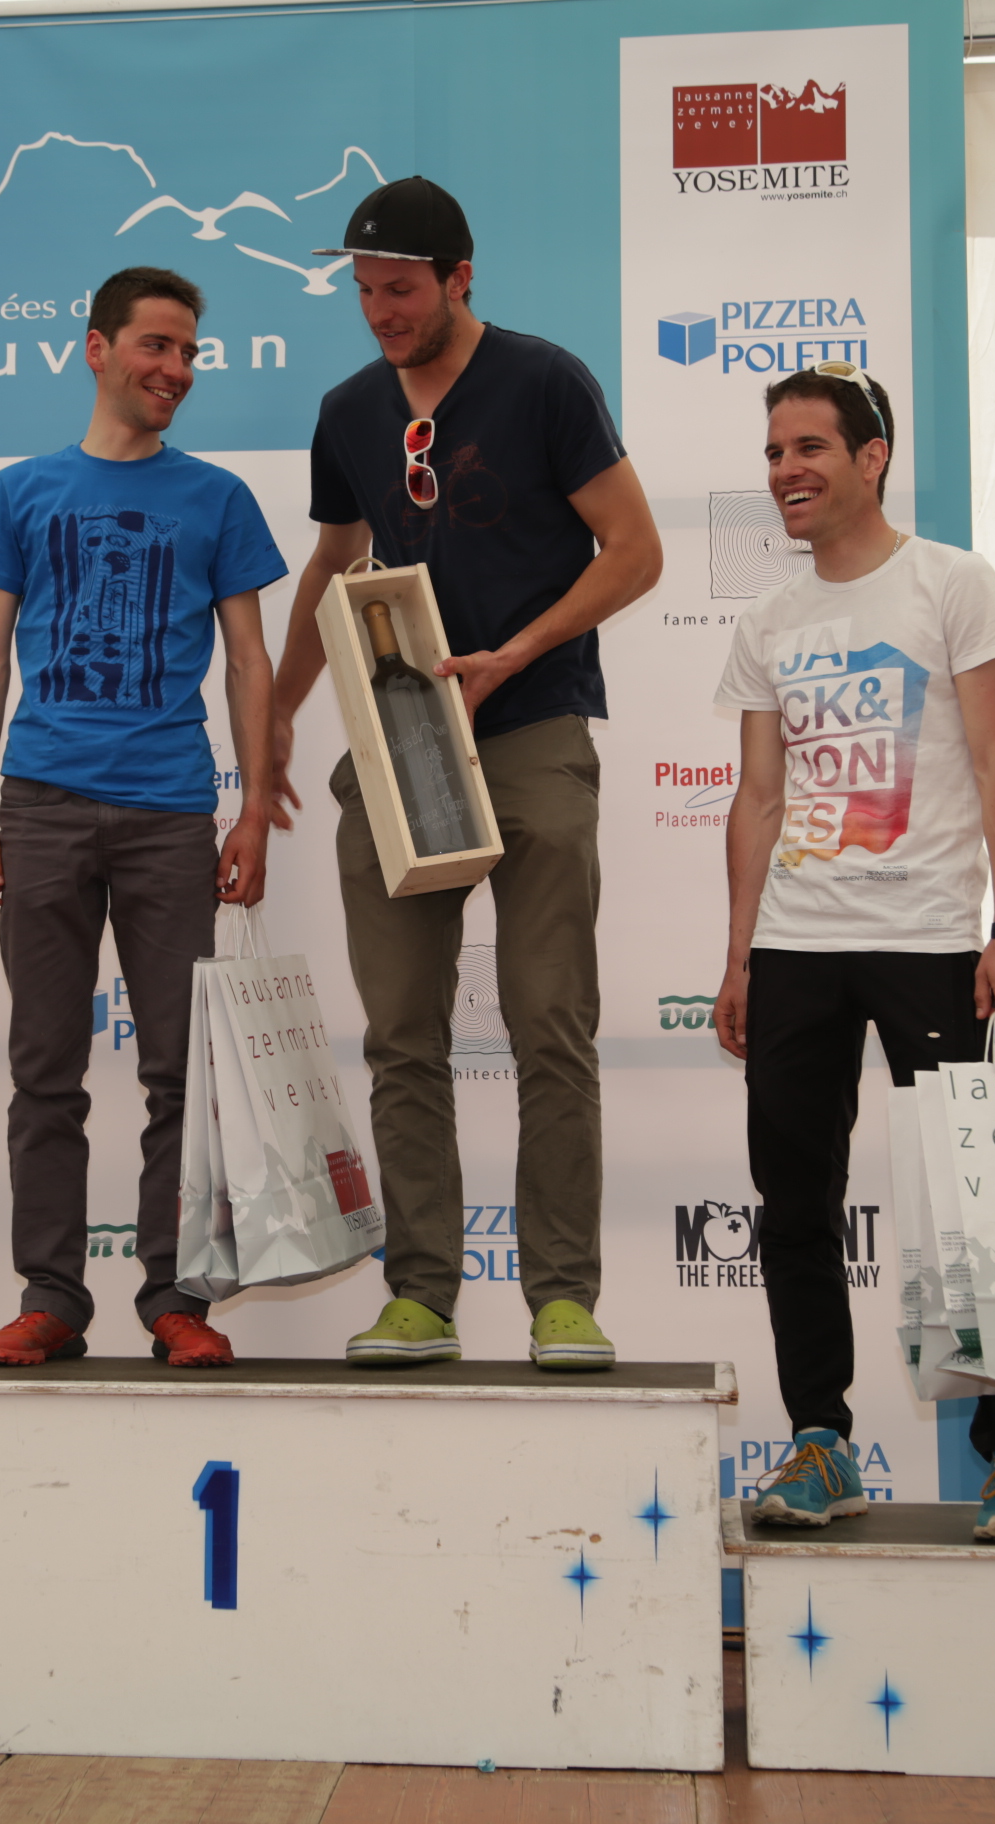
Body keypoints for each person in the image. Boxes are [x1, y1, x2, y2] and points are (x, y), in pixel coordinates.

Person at [269, 176, 661, 1371]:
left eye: (401, 289)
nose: (381, 311)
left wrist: (519, 652)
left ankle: (562, 1299)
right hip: (404, 744)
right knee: (401, 1035)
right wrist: (275, 716)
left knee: (551, 1025)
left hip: (533, 726)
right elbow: (334, 564)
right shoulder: (348, 411)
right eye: (365, 292)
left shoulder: (545, 381)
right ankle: (421, 1297)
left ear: (459, 278)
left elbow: (634, 551)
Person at [711, 363, 995, 1544]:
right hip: (797, 944)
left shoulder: (954, 585)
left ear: (873, 458)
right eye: (773, 452)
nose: (786, 471)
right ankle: (821, 1441)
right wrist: (741, 957)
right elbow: (759, 798)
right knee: (794, 1207)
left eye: (809, 447)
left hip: (930, 942)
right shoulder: (768, 622)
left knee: (976, 1201)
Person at [0, 265, 284, 1371]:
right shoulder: (21, 490)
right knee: (44, 1069)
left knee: (180, 1075)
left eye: (189, 352)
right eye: (156, 346)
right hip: (41, 804)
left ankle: (175, 1297)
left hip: (170, 814)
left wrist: (252, 809)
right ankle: (51, 1296)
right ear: (97, 349)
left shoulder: (219, 498)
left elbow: (249, 661)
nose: (175, 369)